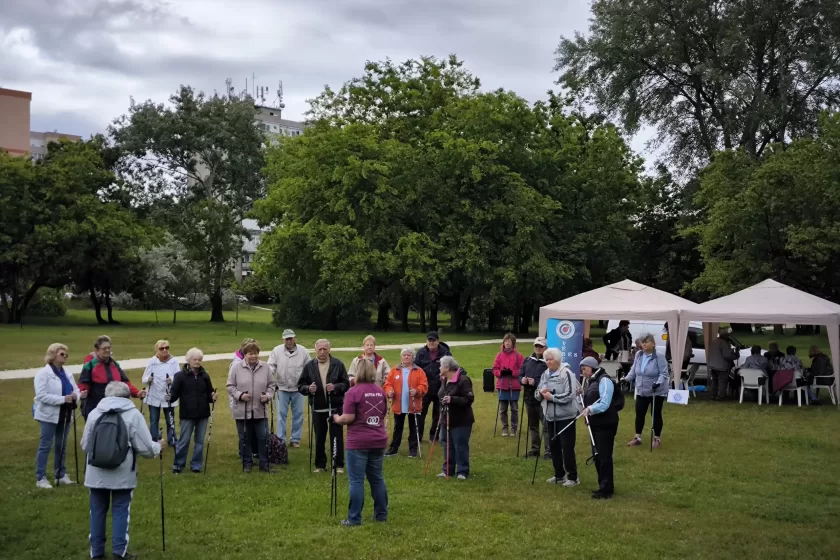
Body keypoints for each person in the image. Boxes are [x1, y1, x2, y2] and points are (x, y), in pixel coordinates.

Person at [81, 381, 163, 560]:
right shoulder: (133, 415)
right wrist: (159, 446)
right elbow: (146, 448)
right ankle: (119, 552)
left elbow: (85, 445)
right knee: (120, 511)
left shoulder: (95, 413)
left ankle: (96, 552)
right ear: (127, 396)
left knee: (97, 511)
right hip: (122, 472)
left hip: (96, 472)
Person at [332, 360, 389, 526]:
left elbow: (348, 418)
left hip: (358, 441)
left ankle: (354, 518)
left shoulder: (353, 392)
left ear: (357, 373)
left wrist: (336, 418)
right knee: (377, 478)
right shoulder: (380, 392)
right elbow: (382, 414)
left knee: (356, 481)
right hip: (378, 439)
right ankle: (381, 515)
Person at [33, 343, 81, 489]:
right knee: (45, 445)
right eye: (62, 354)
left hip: (65, 414)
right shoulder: (43, 374)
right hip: (49, 414)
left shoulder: (67, 373)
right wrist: (62, 399)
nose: (65, 356)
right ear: (53, 355)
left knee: (61, 445)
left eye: (66, 354)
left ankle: (60, 474)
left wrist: (75, 396)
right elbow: (41, 395)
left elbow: (76, 390)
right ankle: (40, 477)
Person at [298, 339, 349, 473]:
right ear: (315, 350)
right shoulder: (309, 366)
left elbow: (346, 384)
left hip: (335, 407)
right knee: (319, 437)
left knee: (336, 436)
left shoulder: (338, 364)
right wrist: (309, 388)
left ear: (329, 350)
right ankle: (320, 465)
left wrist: (336, 387)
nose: (322, 352)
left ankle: (338, 465)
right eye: (319, 349)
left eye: (324, 349)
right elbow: (300, 385)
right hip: (317, 407)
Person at [227, 341, 276, 473]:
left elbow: (272, 385)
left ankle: (264, 463)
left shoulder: (265, 367)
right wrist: (240, 395)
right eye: (250, 353)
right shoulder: (236, 367)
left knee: (263, 436)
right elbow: (230, 386)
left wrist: (267, 395)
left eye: (255, 353)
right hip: (242, 410)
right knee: (245, 437)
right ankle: (247, 463)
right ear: (245, 354)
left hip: (260, 410)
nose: (253, 356)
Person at [535, 348, 581, 487]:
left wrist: (552, 397)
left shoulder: (566, 373)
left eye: (551, 359)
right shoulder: (545, 374)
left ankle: (573, 477)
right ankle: (559, 474)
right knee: (553, 446)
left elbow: (570, 395)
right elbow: (538, 392)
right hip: (550, 416)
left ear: (558, 360)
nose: (548, 362)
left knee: (567, 447)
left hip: (566, 416)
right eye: (546, 359)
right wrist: (541, 394)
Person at [168, 348, 216, 474]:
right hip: (187, 414)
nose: (197, 362)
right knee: (184, 441)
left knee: (199, 442)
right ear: (188, 360)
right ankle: (178, 465)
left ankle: (196, 466)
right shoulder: (180, 376)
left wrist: (213, 397)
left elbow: (210, 394)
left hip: (203, 414)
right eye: (194, 359)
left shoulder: (204, 375)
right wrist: (169, 397)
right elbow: (174, 394)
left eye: (199, 359)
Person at [580, 356, 619, 499]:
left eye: (584, 369)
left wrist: (590, 409)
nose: (583, 372)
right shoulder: (592, 381)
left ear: (591, 367)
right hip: (595, 423)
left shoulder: (605, 380)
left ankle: (607, 489)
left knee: (604, 456)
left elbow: (604, 403)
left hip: (606, 423)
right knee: (597, 455)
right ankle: (602, 485)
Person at [78, 335, 146, 419]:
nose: (107, 350)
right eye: (104, 348)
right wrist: (82, 393)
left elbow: (125, 383)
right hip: (95, 408)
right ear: (97, 350)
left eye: (109, 348)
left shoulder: (115, 365)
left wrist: (137, 393)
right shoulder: (90, 365)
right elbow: (83, 384)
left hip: (115, 408)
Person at [267, 329, 311, 448]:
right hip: (281, 388)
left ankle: (295, 439)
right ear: (283, 339)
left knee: (298, 414)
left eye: (291, 338)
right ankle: (281, 439)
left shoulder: (303, 351)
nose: (289, 341)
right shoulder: (276, 350)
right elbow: (271, 366)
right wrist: (270, 378)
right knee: (281, 415)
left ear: (294, 338)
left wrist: (308, 383)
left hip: (298, 389)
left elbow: (309, 368)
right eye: (287, 339)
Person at [625, 333, 669, 448]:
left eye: (647, 342)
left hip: (656, 391)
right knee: (639, 414)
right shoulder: (639, 355)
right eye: (642, 342)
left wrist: (657, 383)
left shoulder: (659, 356)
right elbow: (633, 370)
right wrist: (626, 379)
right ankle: (637, 437)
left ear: (653, 344)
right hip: (641, 390)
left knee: (655, 414)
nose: (644, 344)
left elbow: (664, 373)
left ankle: (657, 439)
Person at [383, 348, 428, 457]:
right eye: (404, 355)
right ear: (401, 357)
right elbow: (387, 384)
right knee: (398, 427)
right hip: (399, 404)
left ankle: (413, 449)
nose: (406, 357)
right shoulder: (395, 370)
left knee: (413, 427)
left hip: (413, 404)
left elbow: (424, 385)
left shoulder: (419, 371)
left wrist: (417, 390)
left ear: (413, 357)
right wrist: (389, 391)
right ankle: (394, 448)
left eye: (408, 355)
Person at [438, 356, 474, 480]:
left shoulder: (463, 380)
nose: (439, 368)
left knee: (460, 445)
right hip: (446, 417)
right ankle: (447, 470)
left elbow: (469, 399)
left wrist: (453, 399)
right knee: (447, 444)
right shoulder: (444, 380)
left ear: (448, 368)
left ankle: (462, 471)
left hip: (461, 420)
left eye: (441, 366)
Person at [415, 331, 451, 443]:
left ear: (438, 341)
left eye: (433, 340)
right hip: (424, 388)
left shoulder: (445, 352)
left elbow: (450, 367)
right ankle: (418, 436)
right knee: (421, 413)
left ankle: (433, 436)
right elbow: (416, 368)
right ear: (426, 341)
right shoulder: (421, 352)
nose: (431, 343)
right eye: (429, 340)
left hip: (440, 388)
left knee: (438, 413)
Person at [141, 340, 179, 446]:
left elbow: (178, 377)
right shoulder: (152, 361)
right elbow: (143, 379)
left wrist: (171, 379)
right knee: (154, 420)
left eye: (167, 347)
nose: (165, 350)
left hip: (168, 395)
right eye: (162, 348)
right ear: (157, 350)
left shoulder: (174, 361)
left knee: (170, 419)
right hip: (154, 395)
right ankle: (154, 440)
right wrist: (149, 378)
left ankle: (172, 440)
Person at [518, 337, 551, 459]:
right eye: (536, 346)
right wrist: (522, 380)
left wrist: (535, 382)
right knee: (533, 425)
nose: (538, 348)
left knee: (546, 425)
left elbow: (549, 380)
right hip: (529, 397)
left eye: (540, 347)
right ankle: (535, 449)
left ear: (545, 348)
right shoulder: (528, 360)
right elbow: (520, 374)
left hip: (542, 398)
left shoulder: (548, 362)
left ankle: (549, 451)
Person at [492, 332, 524, 437]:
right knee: (503, 409)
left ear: (513, 343)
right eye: (505, 341)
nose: (507, 343)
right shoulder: (499, 355)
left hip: (514, 385)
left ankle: (514, 429)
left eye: (509, 341)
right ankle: (505, 429)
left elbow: (522, 370)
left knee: (514, 408)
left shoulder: (518, 356)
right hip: (502, 384)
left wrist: (513, 373)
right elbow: (495, 368)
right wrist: (500, 373)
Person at [230, 338, 258, 457]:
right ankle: (244, 453)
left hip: (253, 401)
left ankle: (253, 451)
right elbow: (232, 384)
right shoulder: (236, 364)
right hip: (239, 400)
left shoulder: (255, 362)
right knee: (244, 430)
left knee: (253, 429)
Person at [707, 327, 735, 401]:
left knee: (714, 381)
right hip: (721, 366)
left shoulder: (714, 341)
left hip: (713, 365)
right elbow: (727, 356)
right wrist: (734, 355)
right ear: (725, 336)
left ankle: (713, 395)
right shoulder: (723, 343)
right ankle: (720, 396)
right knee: (722, 381)